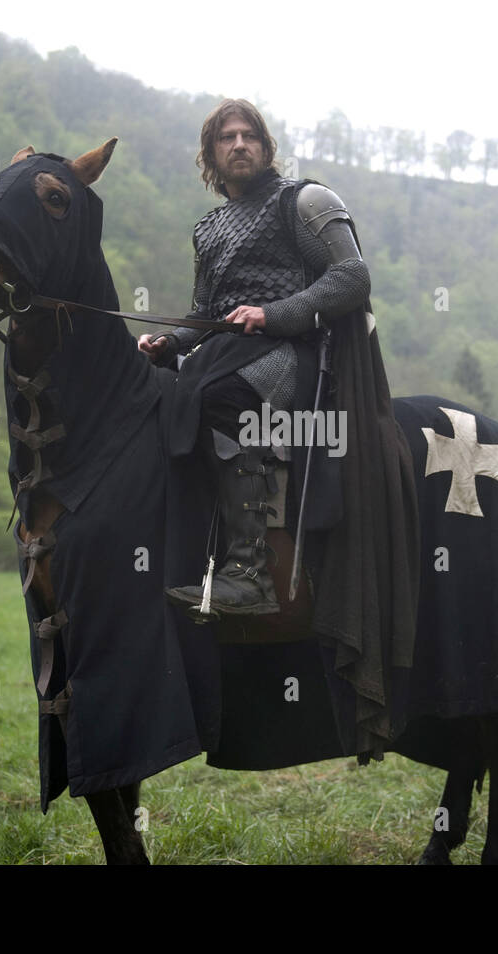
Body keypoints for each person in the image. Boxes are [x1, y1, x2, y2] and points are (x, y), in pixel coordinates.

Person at [139, 98, 371, 616]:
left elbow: (352, 277)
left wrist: (272, 314)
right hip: (223, 350)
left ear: (267, 148)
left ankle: (249, 574)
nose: (239, 144)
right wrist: (169, 342)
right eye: (227, 138)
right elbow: (203, 311)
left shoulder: (303, 200)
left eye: (249, 136)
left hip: (290, 352)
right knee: (156, 394)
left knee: (224, 399)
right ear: (211, 156)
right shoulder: (209, 228)